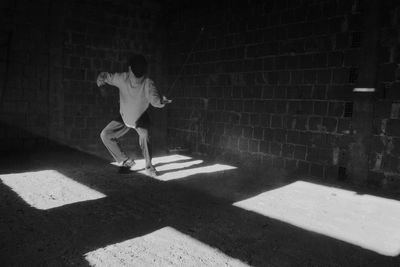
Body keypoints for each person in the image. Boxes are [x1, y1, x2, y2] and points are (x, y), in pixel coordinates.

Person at [97, 54, 171, 176]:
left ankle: (149, 166)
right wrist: (101, 78)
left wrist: (161, 102)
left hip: (140, 118)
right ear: (131, 68)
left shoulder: (147, 83)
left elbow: (155, 101)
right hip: (125, 117)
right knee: (105, 134)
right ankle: (126, 161)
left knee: (145, 136)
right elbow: (106, 77)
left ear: (130, 68)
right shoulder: (122, 78)